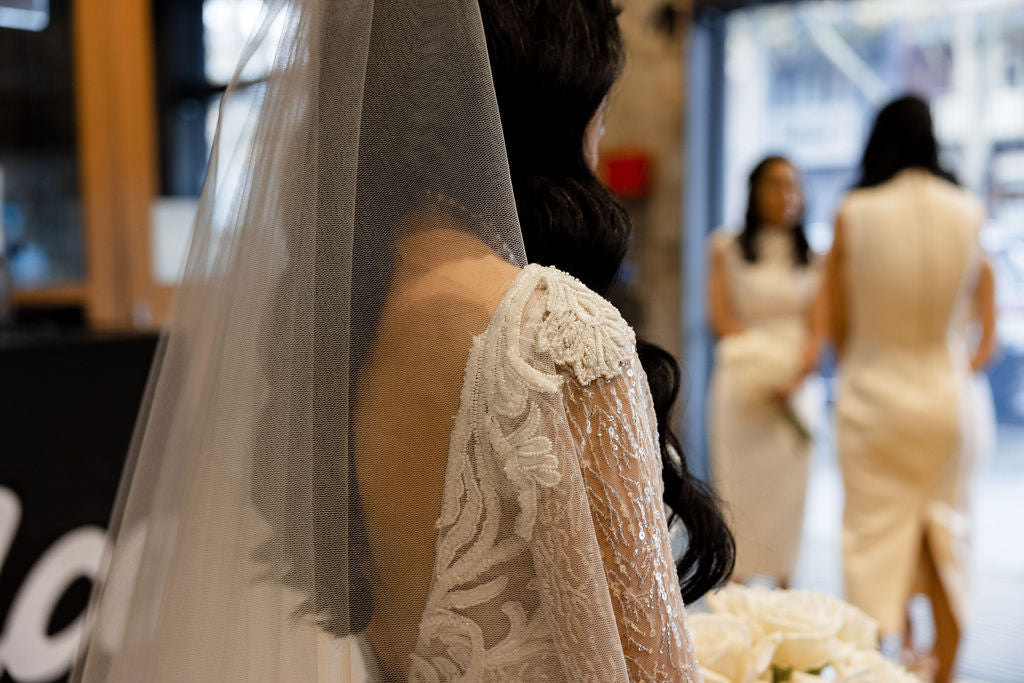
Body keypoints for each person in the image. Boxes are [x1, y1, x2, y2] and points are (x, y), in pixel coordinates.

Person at [71, 1, 733, 681]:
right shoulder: (558, 330)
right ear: (553, 101)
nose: (603, 124)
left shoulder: (347, 326)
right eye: (600, 97)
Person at [823, 95, 989, 683]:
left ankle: (877, 671)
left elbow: (833, 324)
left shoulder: (855, 211)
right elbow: (985, 318)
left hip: (875, 399)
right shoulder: (968, 210)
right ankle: (945, 671)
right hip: (951, 400)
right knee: (944, 539)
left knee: (873, 545)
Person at [707, 155, 825, 587]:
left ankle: (786, 593)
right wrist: (761, 365)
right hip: (742, 385)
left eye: (794, 186)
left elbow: (818, 332)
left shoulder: (815, 258)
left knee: (789, 497)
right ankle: (738, 595)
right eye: (776, 184)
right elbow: (722, 320)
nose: (787, 195)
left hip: (796, 389)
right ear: (756, 190)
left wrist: (793, 378)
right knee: (741, 494)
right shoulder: (725, 248)